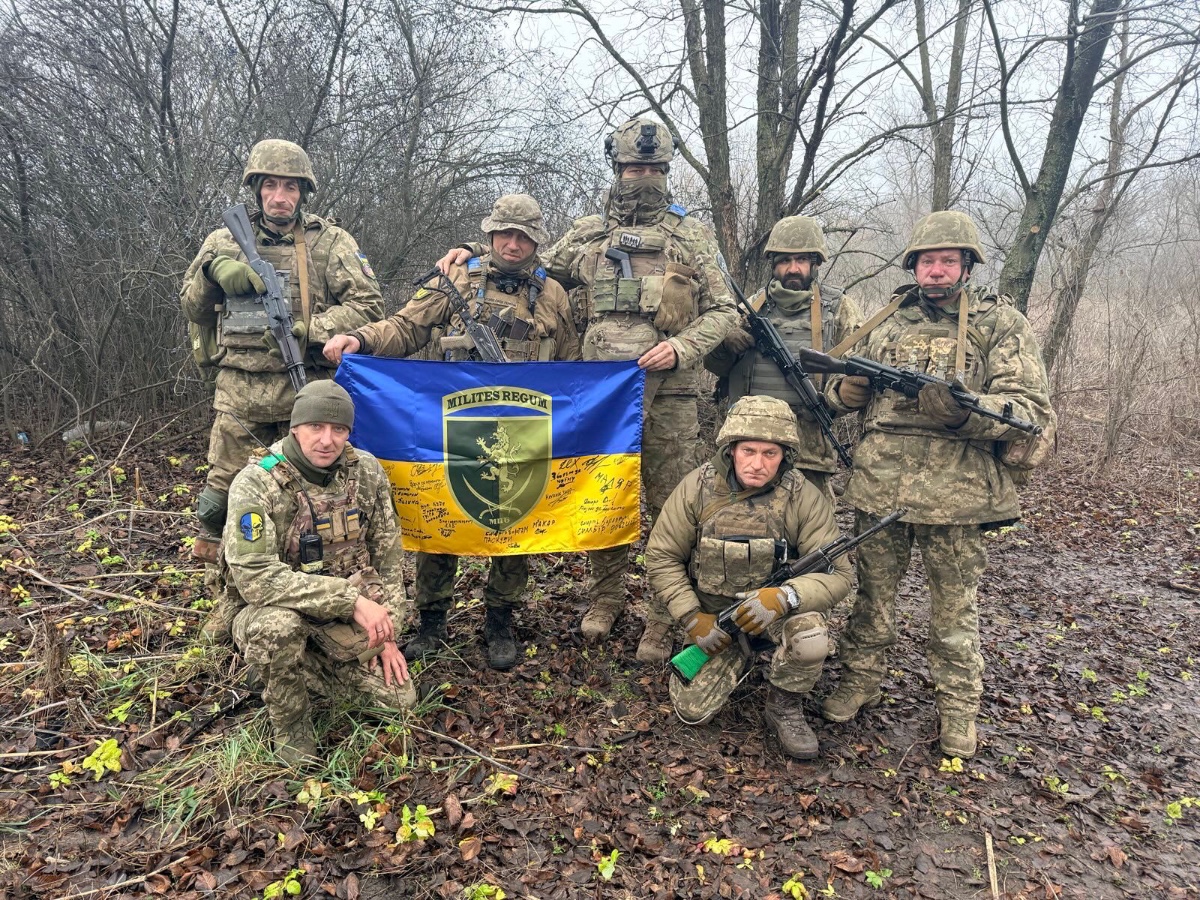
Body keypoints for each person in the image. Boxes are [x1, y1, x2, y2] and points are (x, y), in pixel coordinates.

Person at [437, 118, 737, 663]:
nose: (642, 178)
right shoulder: (587, 233)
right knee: (605, 496)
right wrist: (466, 252)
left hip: (670, 397)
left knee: (670, 508)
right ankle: (607, 597)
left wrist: (683, 348)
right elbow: (522, 261)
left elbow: (724, 311)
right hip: (601, 396)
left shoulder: (692, 235)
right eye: (631, 168)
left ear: (666, 172)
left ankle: (662, 615)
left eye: (653, 169)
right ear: (616, 169)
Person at [820, 211, 1054, 759]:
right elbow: (831, 390)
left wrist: (965, 414)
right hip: (880, 487)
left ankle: (958, 708)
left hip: (959, 494)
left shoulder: (1001, 323)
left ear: (967, 266)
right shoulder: (885, 319)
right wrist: (846, 392)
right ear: (914, 266)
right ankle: (860, 681)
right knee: (871, 601)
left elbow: (1029, 410)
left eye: (949, 261)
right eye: (929, 261)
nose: (938, 271)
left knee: (954, 611)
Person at [323, 194, 580, 670]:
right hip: (451, 424)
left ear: (536, 241)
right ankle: (433, 620)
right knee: (439, 516)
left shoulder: (553, 296)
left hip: (525, 428)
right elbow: (405, 328)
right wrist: (360, 340)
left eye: (523, 236)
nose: (513, 244)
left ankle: (500, 619)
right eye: (504, 233)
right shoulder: (458, 277)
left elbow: (571, 369)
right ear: (489, 233)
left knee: (514, 522)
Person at [180, 139, 385, 618]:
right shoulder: (223, 240)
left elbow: (371, 307)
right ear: (255, 189)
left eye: (289, 187)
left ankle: (313, 607)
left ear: (302, 192)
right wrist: (215, 272)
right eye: (269, 185)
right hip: (239, 397)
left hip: (307, 398)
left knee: (311, 507)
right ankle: (231, 609)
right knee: (221, 507)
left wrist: (312, 328)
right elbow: (191, 305)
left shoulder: (331, 242)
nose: (279, 196)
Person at [645, 396, 852, 759]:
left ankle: (784, 705)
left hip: (777, 615)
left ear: (785, 455)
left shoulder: (803, 496)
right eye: (749, 451)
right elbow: (662, 556)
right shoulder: (696, 488)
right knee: (692, 711)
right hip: (718, 622)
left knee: (812, 639)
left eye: (770, 454)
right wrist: (692, 617)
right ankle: (737, 657)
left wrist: (786, 597)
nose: (757, 464)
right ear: (731, 449)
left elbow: (839, 574)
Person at [222, 381, 415, 765]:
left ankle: (293, 667)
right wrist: (350, 600)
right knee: (277, 630)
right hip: (271, 610)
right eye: (316, 427)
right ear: (295, 427)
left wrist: (386, 636)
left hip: (340, 619)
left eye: (339, 429)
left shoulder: (367, 472)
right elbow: (255, 578)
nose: (327, 440)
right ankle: (291, 723)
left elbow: (389, 559)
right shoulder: (258, 482)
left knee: (398, 701)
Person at [704, 215, 866, 499]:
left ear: (815, 263)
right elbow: (715, 367)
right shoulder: (749, 307)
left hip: (808, 448)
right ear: (773, 263)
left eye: (802, 260)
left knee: (811, 535)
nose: (793, 268)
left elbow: (855, 366)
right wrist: (725, 344)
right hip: (747, 448)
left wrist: (840, 395)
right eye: (784, 261)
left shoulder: (839, 309)